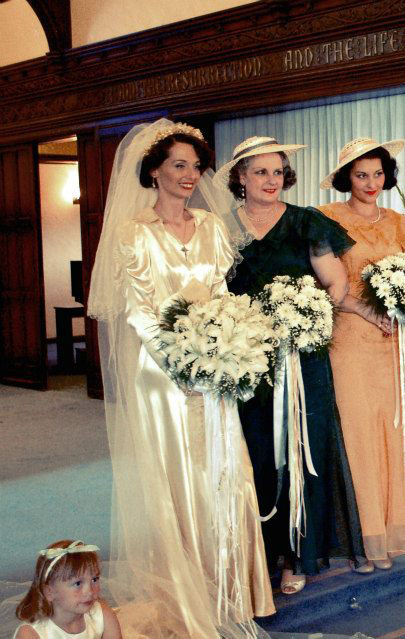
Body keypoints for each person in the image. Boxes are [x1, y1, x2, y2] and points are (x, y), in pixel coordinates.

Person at [86, 119, 274, 638]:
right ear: (153, 172)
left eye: (195, 166)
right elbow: (138, 310)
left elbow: (218, 292)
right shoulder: (133, 233)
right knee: (177, 474)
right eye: (178, 165)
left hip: (216, 364)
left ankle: (228, 587)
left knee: (223, 468)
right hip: (160, 372)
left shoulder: (213, 228)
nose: (190, 175)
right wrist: (181, 363)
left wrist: (227, 346)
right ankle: (181, 588)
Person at [216, 136, 367, 592]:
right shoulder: (220, 228)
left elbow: (335, 284)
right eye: (260, 172)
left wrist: (305, 316)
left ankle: (296, 558)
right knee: (257, 454)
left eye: (277, 172)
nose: (270, 180)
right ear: (240, 177)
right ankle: (256, 554)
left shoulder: (307, 223)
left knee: (302, 454)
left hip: (301, 359)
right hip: (245, 361)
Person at [318, 138, 405, 569]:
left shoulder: (401, 224)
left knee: (398, 426)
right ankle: (364, 535)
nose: (371, 183)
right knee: (359, 430)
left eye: (377, 174)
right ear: (345, 178)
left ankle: (398, 529)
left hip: (394, 341)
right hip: (351, 335)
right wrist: (367, 310)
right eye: (360, 175)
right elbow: (322, 283)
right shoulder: (326, 219)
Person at [13, 541, 121, 639]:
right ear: (49, 591)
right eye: (78, 583)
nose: (90, 591)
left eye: (94, 579)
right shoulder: (31, 634)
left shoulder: (101, 614)